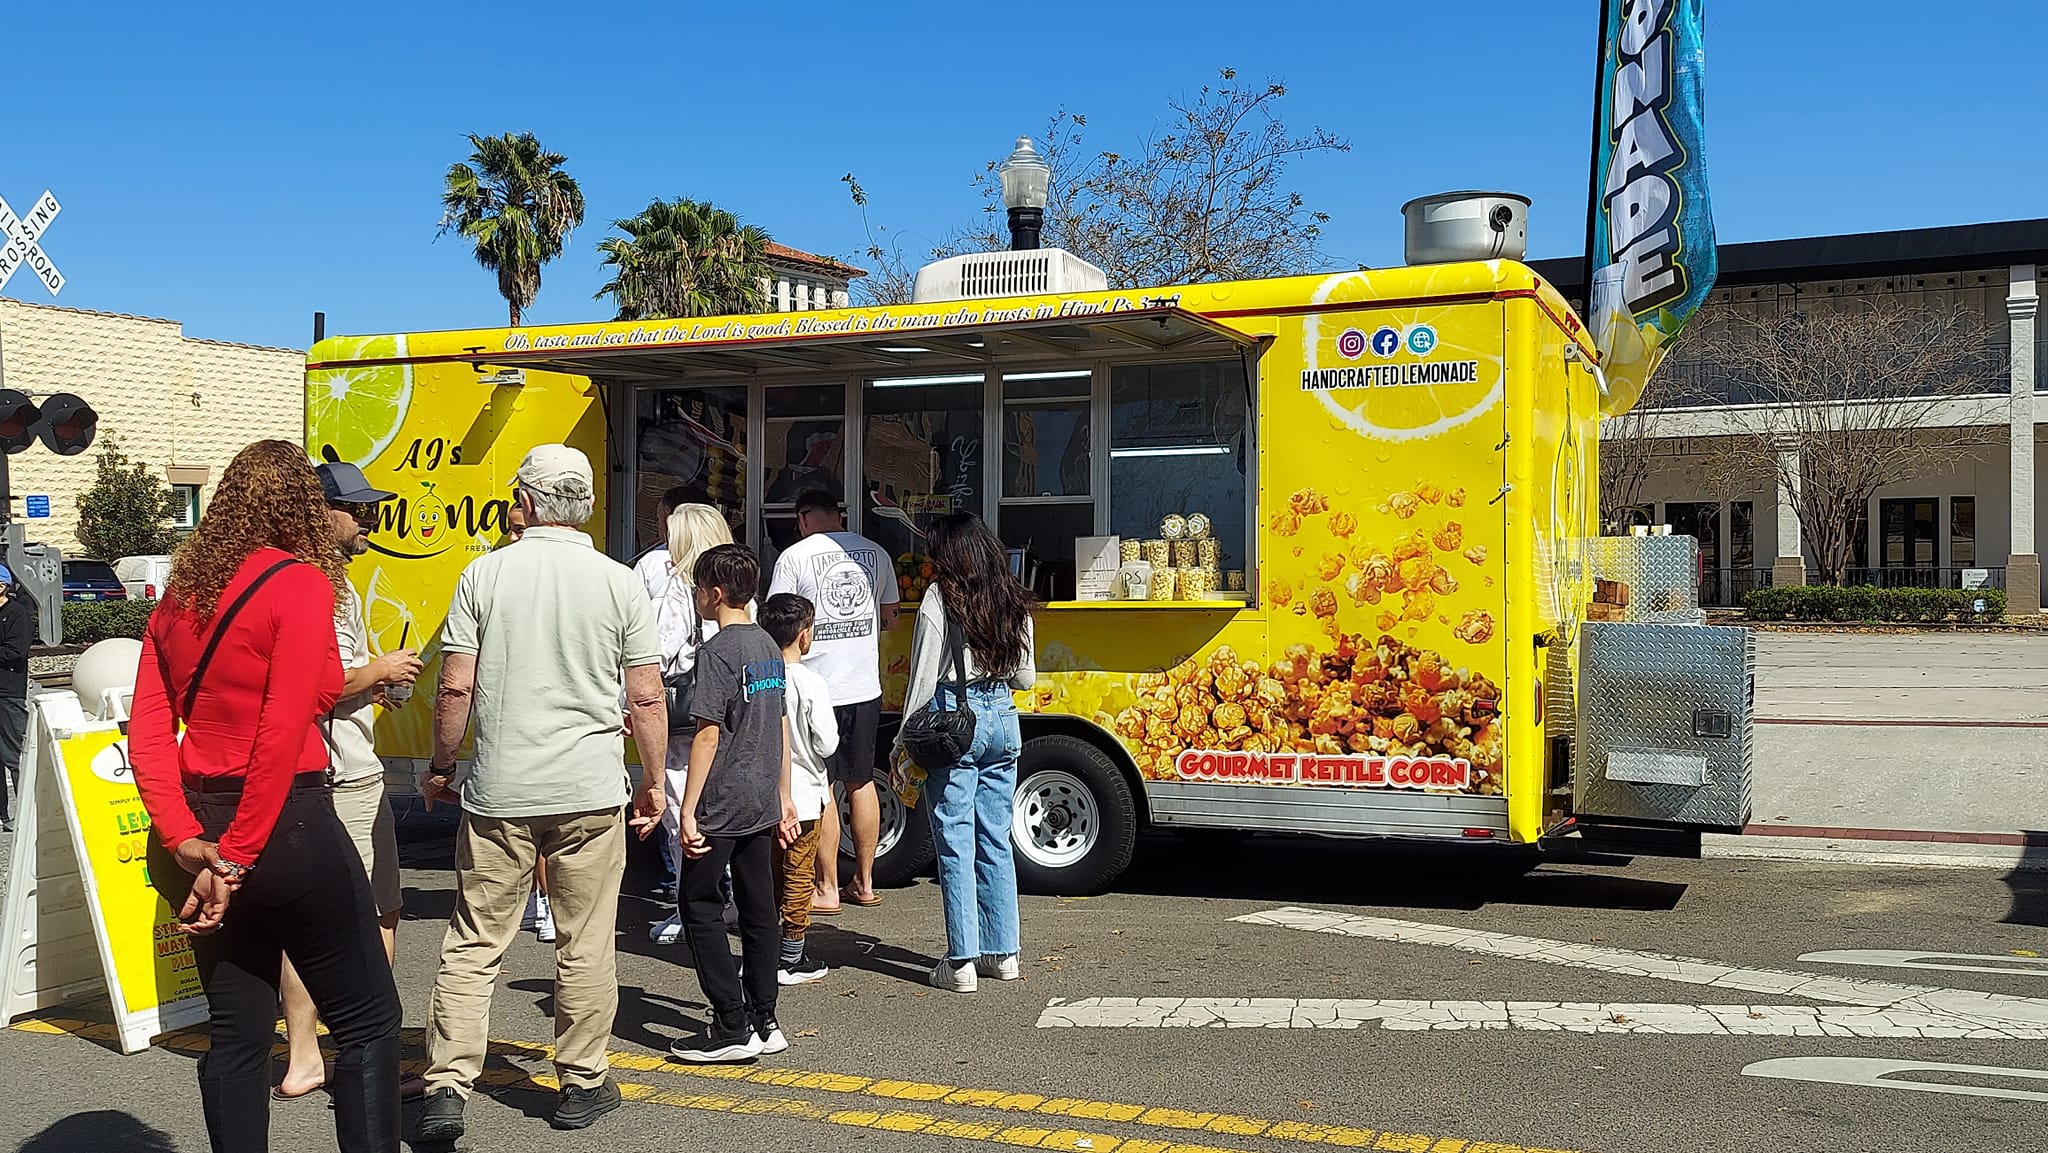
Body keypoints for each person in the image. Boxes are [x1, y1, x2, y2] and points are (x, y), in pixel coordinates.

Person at [129, 439, 402, 1152]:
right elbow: (284, 729)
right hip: (283, 824)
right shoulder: (301, 583)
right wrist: (238, 858)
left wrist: (189, 843)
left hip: (198, 822)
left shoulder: (180, 597)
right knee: (369, 1020)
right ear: (302, 509)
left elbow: (150, 733)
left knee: (237, 1032)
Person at [416, 445, 668, 1140]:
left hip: (500, 789)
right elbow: (645, 697)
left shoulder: (483, 574)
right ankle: (582, 1082)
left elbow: (456, 684)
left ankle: (445, 1088)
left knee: (474, 941)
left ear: (525, 501)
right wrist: (652, 781)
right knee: (585, 942)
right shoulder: (620, 582)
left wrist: (441, 763)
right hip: (588, 788)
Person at [273, 465, 425, 1101]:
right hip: (341, 777)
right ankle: (353, 1055)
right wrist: (379, 670)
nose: (366, 520)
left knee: (373, 909)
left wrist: (375, 688)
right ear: (321, 513)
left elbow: (334, 682)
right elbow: (319, 684)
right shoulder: (320, 588)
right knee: (355, 918)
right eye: (356, 510)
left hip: (347, 768)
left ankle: (326, 1051)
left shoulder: (329, 582)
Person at [897, 513, 1036, 994]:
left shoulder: (941, 596)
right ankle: (1005, 953)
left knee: (954, 841)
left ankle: (961, 962)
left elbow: (923, 675)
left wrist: (903, 739)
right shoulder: (1012, 596)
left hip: (957, 721)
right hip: (1004, 716)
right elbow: (1026, 678)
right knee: (996, 838)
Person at [669, 544, 797, 1063]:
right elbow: (780, 722)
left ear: (715, 594)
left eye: (698, 587)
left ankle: (730, 1023)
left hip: (722, 797)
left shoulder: (718, 651)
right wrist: (784, 795)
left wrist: (687, 808)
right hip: (762, 793)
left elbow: (706, 734)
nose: (696, 595)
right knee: (757, 905)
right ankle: (764, 1017)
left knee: (698, 903)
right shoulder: (768, 643)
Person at [766, 489, 897, 914]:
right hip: (864, 685)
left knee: (818, 788)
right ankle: (865, 880)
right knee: (861, 782)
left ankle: (825, 887)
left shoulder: (794, 557)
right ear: (839, 514)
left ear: (802, 518)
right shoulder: (877, 553)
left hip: (812, 686)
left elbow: (776, 622)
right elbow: (891, 616)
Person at [647, 503, 741, 946]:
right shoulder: (741, 590)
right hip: (733, 715)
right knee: (725, 811)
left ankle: (693, 906)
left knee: (680, 817)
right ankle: (732, 897)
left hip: (683, 720)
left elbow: (658, 657)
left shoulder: (677, 590)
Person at [758, 593, 836, 985]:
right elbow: (827, 742)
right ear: (804, 636)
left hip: (765, 796)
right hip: (805, 794)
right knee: (799, 873)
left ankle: (765, 949)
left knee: (768, 872)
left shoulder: (759, 678)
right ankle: (792, 954)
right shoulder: (811, 682)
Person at [633, 484, 692, 905]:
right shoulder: (724, 569)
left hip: (674, 704)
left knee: (672, 800)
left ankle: (682, 895)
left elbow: (653, 651)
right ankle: (713, 894)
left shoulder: (654, 567)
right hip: (715, 708)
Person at [0, 565, 33, 833]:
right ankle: (3, 815)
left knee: (14, 754)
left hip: (8, 693)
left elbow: (16, 652)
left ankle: (26, 813)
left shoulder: (16, 613)